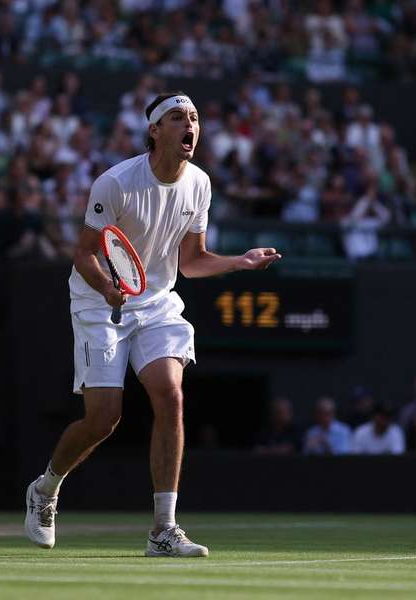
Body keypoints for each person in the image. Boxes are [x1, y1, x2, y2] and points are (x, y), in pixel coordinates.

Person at [24, 92, 281, 557]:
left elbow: (194, 261)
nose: (191, 125)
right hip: (98, 302)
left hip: (157, 302)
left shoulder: (200, 184)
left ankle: (164, 530)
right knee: (104, 418)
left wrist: (240, 262)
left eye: (196, 118)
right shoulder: (115, 183)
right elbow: (83, 253)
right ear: (154, 130)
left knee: (170, 393)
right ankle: (45, 490)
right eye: (179, 117)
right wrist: (106, 287)